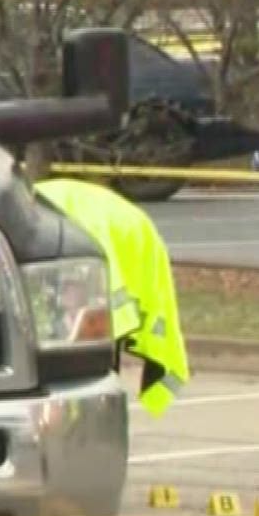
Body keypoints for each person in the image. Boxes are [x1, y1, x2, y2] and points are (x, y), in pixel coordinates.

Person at [34, 177, 189, 414]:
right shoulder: (46, 205)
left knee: (82, 352)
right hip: (127, 230)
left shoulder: (38, 213)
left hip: (102, 235)